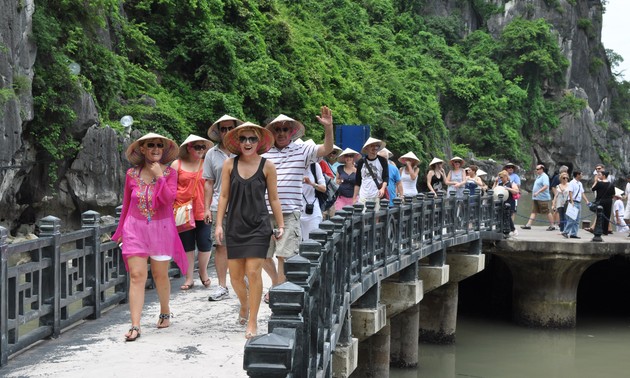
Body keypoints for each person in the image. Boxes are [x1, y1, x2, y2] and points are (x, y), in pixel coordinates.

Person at [112, 132, 187, 342]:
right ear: (142, 149)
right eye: (150, 145)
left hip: (161, 229)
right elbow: (127, 204)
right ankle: (135, 325)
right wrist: (119, 232)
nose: (155, 148)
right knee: (137, 276)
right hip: (134, 229)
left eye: (159, 146)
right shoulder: (131, 174)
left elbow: (169, 200)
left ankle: (165, 311)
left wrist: (159, 176)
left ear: (163, 150)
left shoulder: (170, 173)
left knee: (160, 274)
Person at [214, 122, 285, 339]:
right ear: (237, 142)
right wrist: (218, 224)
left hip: (258, 226)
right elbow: (223, 196)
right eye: (243, 139)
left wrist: (280, 225)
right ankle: (244, 304)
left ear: (259, 142)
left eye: (252, 139)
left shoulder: (267, 166)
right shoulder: (228, 164)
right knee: (235, 276)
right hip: (235, 225)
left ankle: (252, 320)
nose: (247, 143)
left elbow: (274, 198)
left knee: (253, 272)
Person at [262, 107, 334, 292]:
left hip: (290, 211)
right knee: (262, 254)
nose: (281, 133)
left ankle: (279, 290)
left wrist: (328, 128)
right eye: (277, 129)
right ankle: (277, 283)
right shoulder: (263, 153)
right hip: (263, 211)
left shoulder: (302, 150)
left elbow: (327, 149)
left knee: (284, 255)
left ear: (292, 132)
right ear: (271, 132)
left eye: (285, 129)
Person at [203, 114, 243, 302]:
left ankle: (242, 280)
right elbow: (209, 183)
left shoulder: (244, 149)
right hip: (219, 204)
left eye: (230, 128)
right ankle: (222, 286)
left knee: (243, 245)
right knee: (221, 246)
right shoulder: (212, 153)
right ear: (219, 132)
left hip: (243, 204)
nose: (227, 132)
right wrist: (205, 208)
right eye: (223, 129)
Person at [172, 135, 214, 290]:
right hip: (183, 210)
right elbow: (170, 187)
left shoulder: (207, 164)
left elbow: (213, 185)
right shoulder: (177, 164)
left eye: (203, 147)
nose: (201, 150)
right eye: (197, 147)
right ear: (188, 148)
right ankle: (189, 278)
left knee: (205, 242)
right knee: (187, 245)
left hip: (204, 209)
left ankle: (203, 272)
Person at [299, 140, 327, 240]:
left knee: (312, 241)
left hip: (312, 210)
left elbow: (323, 188)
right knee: (294, 246)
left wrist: (311, 183)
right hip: (295, 211)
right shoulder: (294, 166)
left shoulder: (315, 167)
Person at [354, 137, 389, 211]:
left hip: (377, 194)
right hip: (363, 194)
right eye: (372, 146)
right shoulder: (361, 162)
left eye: (376, 146)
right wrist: (354, 197)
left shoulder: (382, 161)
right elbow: (357, 181)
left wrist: (382, 188)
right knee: (362, 216)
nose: (374, 148)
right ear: (367, 148)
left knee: (375, 216)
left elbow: (385, 177)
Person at [521, 164, 555, 230]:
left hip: (542, 198)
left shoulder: (544, 176)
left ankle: (552, 225)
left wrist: (537, 192)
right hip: (536, 198)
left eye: (537, 169)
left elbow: (546, 186)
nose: (536, 171)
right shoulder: (539, 176)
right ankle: (528, 225)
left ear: (542, 169)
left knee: (547, 211)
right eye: (536, 169)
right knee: (534, 211)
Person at [492, 170, 519, 236]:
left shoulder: (511, 183)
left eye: (502, 177)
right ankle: (501, 229)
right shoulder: (500, 184)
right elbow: (493, 191)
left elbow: (516, 191)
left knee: (508, 216)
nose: (500, 179)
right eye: (500, 177)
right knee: (500, 216)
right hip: (500, 202)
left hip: (509, 202)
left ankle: (513, 229)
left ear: (506, 177)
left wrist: (508, 188)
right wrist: (495, 182)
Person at [564, 171, 590, 239]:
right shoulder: (572, 182)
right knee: (572, 219)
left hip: (578, 202)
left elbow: (582, 193)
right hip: (574, 202)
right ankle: (565, 232)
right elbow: (570, 192)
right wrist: (571, 201)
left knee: (577, 220)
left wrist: (586, 200)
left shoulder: (580, 183)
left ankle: (573, 233)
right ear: (577, 175)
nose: (582, 175)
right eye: (581, 174)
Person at [590, 170, 615, 235]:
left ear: (604, 176)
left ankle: (598, 230)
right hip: (609, 202)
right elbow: (613, 194)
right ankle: (605, 231)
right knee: (607, 215)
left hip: (600, 201)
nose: (598, 176)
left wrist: (595, 181)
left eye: (600, 175)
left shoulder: (599, 183)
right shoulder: (611, 184)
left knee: (599, 215)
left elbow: (592, 189)